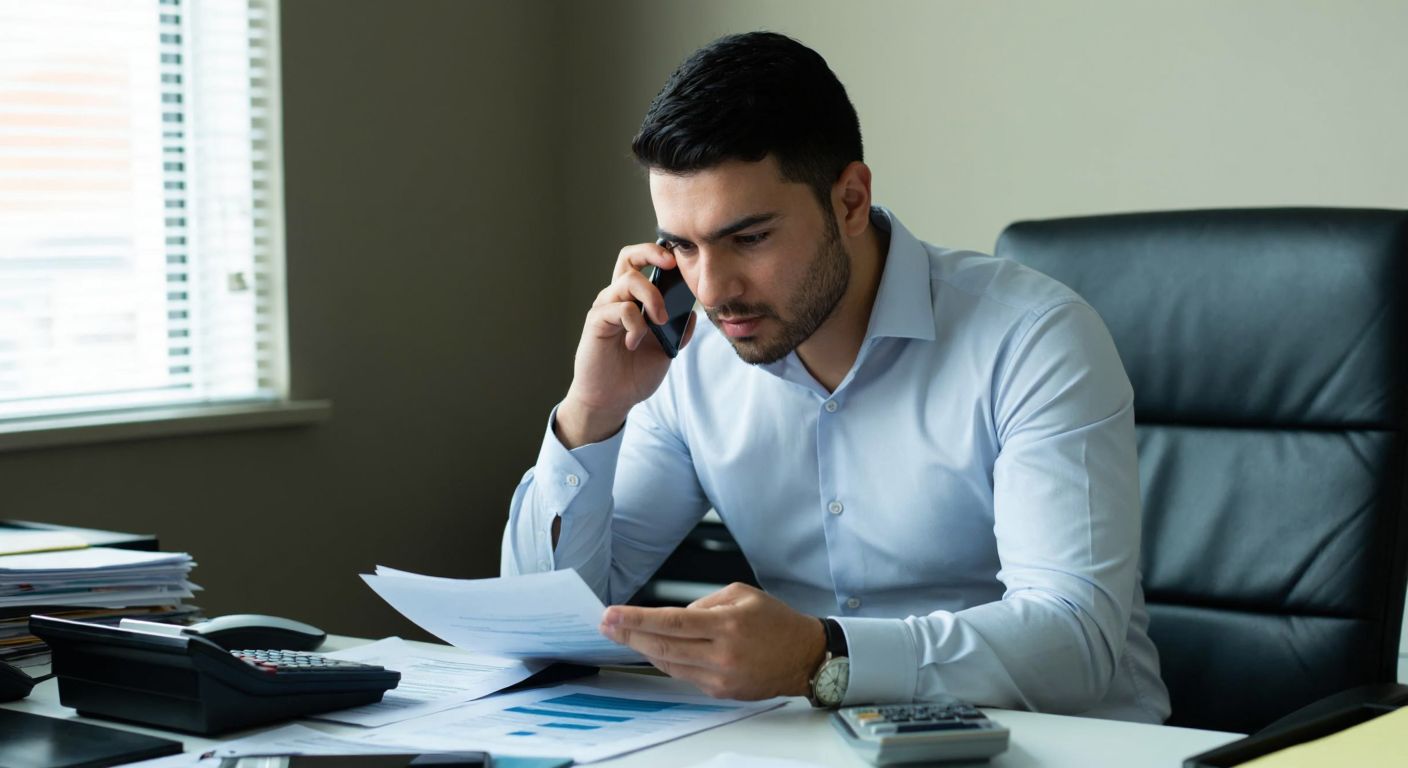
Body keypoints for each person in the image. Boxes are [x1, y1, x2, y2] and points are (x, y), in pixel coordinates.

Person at [501, 31, 1170, 723]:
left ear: (850, 201)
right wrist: (591, 412)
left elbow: (1074, 644)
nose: (712, 287)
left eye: (749, 238)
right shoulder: (689, 360)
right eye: (681, 246)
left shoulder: (1034, 340)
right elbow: (537, 628)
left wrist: (821, 656)